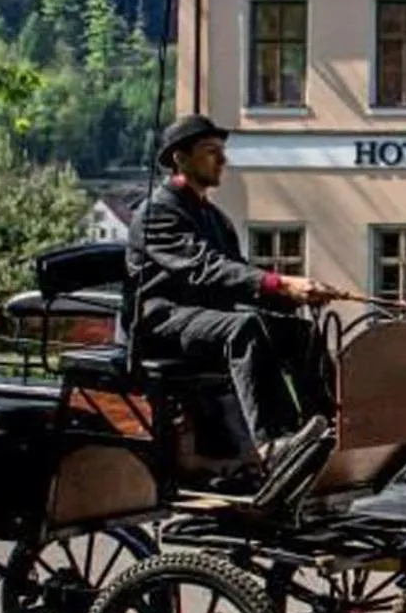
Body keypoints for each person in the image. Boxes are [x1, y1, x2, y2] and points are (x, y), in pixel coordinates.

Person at [126, 113, 335, 476]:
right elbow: (206, 267)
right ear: (180, 157)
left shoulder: (215, 218)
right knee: (246, 329)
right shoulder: (156, 212)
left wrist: (298, 295)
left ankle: (328, 422)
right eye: (211, 151)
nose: (223, 160)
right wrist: (282, 283)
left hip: (205, 319)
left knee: (297, 332)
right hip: (162, 324)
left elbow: (238, 275)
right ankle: (276, 443)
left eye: (222, 151)